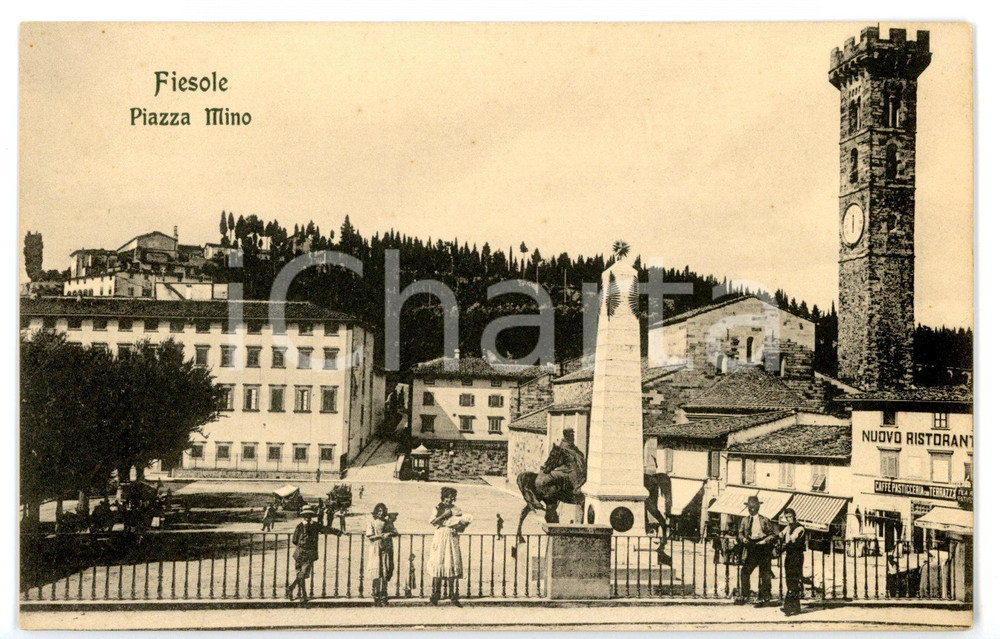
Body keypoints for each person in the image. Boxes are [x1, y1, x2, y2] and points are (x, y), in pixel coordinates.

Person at [286, 506, 342, 602]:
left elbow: (327, 529)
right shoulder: (299, 526)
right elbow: (294, 540)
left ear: (312, 516)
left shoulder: (316, 525)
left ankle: (292, 588)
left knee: (302, 574)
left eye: (309, 515)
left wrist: (338, 532)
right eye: (305, 515)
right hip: (299, 553)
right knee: (301, 574)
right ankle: (303, 595)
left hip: (309, 553)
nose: (307, 517)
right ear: (303, 516)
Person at [427, 487, 469, 606]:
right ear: (443, 497)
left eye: (451, 498)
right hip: (440, 537)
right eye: (447, 498)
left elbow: (461, 528)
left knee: (451, 563)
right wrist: (444, 515)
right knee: (438, 562)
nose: (449, 500)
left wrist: (462, 525)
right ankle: (436, 594)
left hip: (452, 537)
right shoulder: (437, 508)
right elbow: (434, 523)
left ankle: (452, 594)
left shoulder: (457, 509)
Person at [736, 495, 777, 606]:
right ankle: (745, 595)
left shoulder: (764, 520)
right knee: (745, 571)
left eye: (753, 506)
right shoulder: (744, 520)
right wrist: (743, 538)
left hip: (763, 548)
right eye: (749, 506)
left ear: (758, 507)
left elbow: (772, 535)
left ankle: (765, 597)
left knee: (765, 573)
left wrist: (765, 541)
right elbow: (739, 533)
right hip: (751, 547)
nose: (751, 509)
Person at [535, 429, 586, 497]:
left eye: (573, 435)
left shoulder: (571, 445)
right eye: (571, 435)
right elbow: (565, 457)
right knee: (570, 475)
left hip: (573, 466)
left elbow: (578, 453)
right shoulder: (564, 445)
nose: (573, 437)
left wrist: (579, 456)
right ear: (567, 436)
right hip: (565, 467)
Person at [366, 503, 398, 606]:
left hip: (386, 549)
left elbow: (396, 532)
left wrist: (390, 533)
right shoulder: (372, 522)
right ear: (376, 512)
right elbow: (370, 536)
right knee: (376, 571)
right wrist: (381, 536)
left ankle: (384, 593)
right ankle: (376, 594)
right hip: (375, 549)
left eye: (383, 511)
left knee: (385, 570)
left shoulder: (388, 522)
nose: (381, 513)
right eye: (379, 511)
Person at [778, 507, 806, 616]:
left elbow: (791, 539)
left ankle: (789, 607)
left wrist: (784, 541)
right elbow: (781, 535)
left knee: (793, 580)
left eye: (790, 516)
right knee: (790, 580)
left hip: (797, 556)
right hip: (790, 556)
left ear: (794, 516)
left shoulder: (800, 528)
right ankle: (796, 607)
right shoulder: (788, 527)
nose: (788, 519)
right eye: (786, 517)